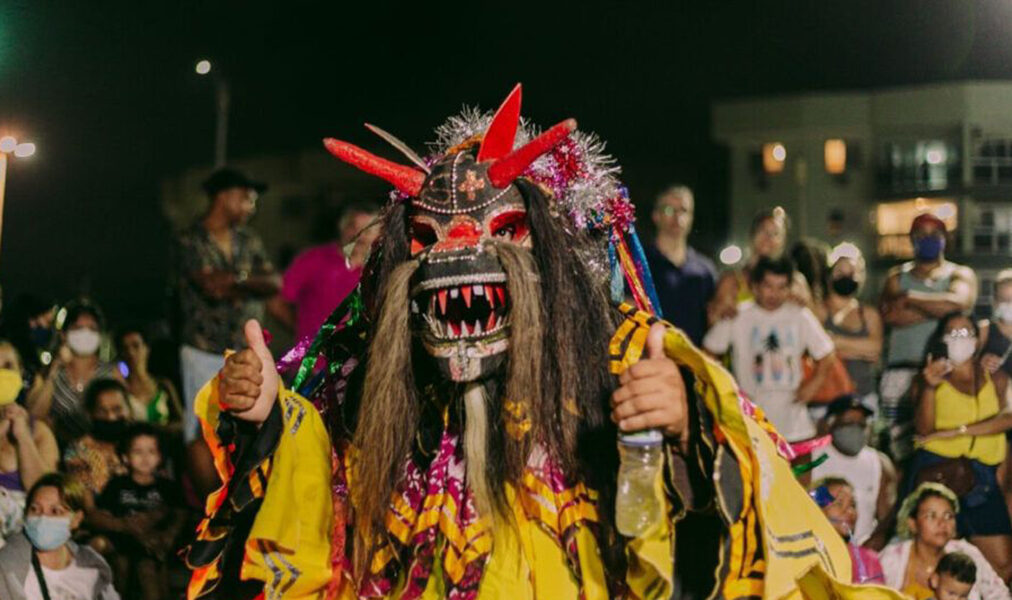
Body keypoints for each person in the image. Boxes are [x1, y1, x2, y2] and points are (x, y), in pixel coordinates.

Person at [185, 89, 858, 599]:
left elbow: (728, 489)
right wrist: (270, 410)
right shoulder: (377, 357)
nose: (460, 254)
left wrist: (684, 420)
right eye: (428, 238)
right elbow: (316, 479)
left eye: (501, 229)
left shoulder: (615, 344)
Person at [176, 167, 280, 445]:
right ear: (225, 197)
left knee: (243, 430)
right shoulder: (190, 239)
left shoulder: (249, 240)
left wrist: (235, 280)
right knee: (202, 429)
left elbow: (273, 283)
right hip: (202, 350)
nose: (251, 207)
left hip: (242, 354)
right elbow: (211, 287)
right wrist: (248, 283)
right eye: (247, 198)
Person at [910, 312, 1012, 580]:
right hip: (939, 473)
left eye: (965, 333)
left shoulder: (995, 375)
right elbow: (923, 430)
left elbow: (1007, 419)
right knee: (931, 552)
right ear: (941, 339)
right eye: (951, 333)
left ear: (978, 340)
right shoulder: (930, 376)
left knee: (1002, 563)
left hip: (983, 477)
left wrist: (956, 432)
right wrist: (930, 387)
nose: (959, 340)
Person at [703, 256, 836, 441]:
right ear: (755, 287)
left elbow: (827, 354)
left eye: (781, 287)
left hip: (794, 422)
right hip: (752, 421)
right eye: (768, 286)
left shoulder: (799, 315)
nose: (774, 294)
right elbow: (709, 352)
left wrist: (812, 385)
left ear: (790, 288)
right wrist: (725, 389)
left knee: (799, 468)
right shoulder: (738, 315)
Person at [879, 213, 977, 460]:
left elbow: (960, 302)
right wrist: (943, 310)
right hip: (901, 373)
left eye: (935, 234)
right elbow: (891, 316)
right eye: (921, 234)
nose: (928, 239)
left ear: (945, 238)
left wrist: (910, 298)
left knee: (936, 445)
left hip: (945, 373)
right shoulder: (896, 276)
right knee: (897, 448)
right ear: (911, 239)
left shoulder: (959, 274)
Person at [87, 424, 185, 600]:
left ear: (160, 456)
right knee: (118, 563)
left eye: (151, 452)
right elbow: (101, 514)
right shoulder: (117, 485)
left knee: (147, 569)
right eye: (138, 452)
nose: (145, 458)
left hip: (152, 544)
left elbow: (178, 515)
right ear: (125, 457)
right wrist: (122, 525)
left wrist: (165, 537)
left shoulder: (167, 487)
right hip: (122, 539)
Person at [268, 201, 380, 342]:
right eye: (353, 227)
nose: (359, 235)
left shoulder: (381, 270)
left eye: (367, 230)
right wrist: (304, 332)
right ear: (342, 227)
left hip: (359, 360)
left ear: (378, 235)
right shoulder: (313, 259)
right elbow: (276, 302)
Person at [0, 472, 119, 600]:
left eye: (55, 511)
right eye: (35, 509)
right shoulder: (8, 566)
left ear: (76, 519)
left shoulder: (91, 570)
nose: (42, 518)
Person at [879, 483, 1008, 600]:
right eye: (931, 516)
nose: (942, 523)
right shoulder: (892, 558)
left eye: (948, 516)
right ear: (912, 524)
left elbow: (1000, 595)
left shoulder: (968, 554)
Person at [27, 301, 120, 447]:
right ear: (64, 334)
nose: (85, 334)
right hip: (57, 453)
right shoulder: (49, 373)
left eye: (92, 328)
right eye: (78, 328)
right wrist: (55, 368)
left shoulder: (111, 373)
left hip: (103, 454)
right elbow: (35, 416)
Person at [811, 395, 897, 549]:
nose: (855, 429)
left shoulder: (879, 463)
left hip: (862, 551)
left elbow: (887, 519)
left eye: (861, 424)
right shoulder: (810, 459)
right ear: (831, 424)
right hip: (818, 547)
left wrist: (869, 549)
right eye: (848, 423)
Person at [708, 208, 812, 324]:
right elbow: (714, 324)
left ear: (783, 241)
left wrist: (801, 303)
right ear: (752, 235)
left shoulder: (795, 282)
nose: (768, 238)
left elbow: (813, 325)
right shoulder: (731, 281)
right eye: (763, 231)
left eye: (775, 233)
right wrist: (722, 314)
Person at [642, 185, 717, 346]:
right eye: (669, 210)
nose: (677, 217)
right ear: (656, 216)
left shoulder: (705, 270)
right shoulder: (640, 264)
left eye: (683, 210)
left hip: (694, 364)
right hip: (652, 361)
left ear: (691, 217)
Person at [0, 342, 59, 543]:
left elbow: (46, 493)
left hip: (27, 531)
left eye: (7, 366)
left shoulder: (39, 432)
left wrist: (23, 436)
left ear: (20, 375)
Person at [814, 243, 883, 403]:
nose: (846, 276)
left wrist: (834, 341)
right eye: (840, 271)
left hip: (863, 397)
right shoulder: (819, 310)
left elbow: (875, 349)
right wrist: (860, 350)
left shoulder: (869, 314)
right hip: (825, 398)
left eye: (851, 272)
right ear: (829, 274)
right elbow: (814, 349)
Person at [62, 380, 130, 499]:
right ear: (90, 414)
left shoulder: (141, 442)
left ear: (128, 409)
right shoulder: (78, 450)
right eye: (102, 411)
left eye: (117, 409)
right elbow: (81, 497)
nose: (111, 417)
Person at [808, 478, 884, 584]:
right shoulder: (804, 558)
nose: (849, 511)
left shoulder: (868, 561)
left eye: (852, 505)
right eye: (839, 503)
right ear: (816, 510)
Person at [116, 328, 182, 430]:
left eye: (136, 346)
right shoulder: (120, 389)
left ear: (146, 349)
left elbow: (180, 421)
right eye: (125, 348)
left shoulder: (163, 385)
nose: (131, 353)